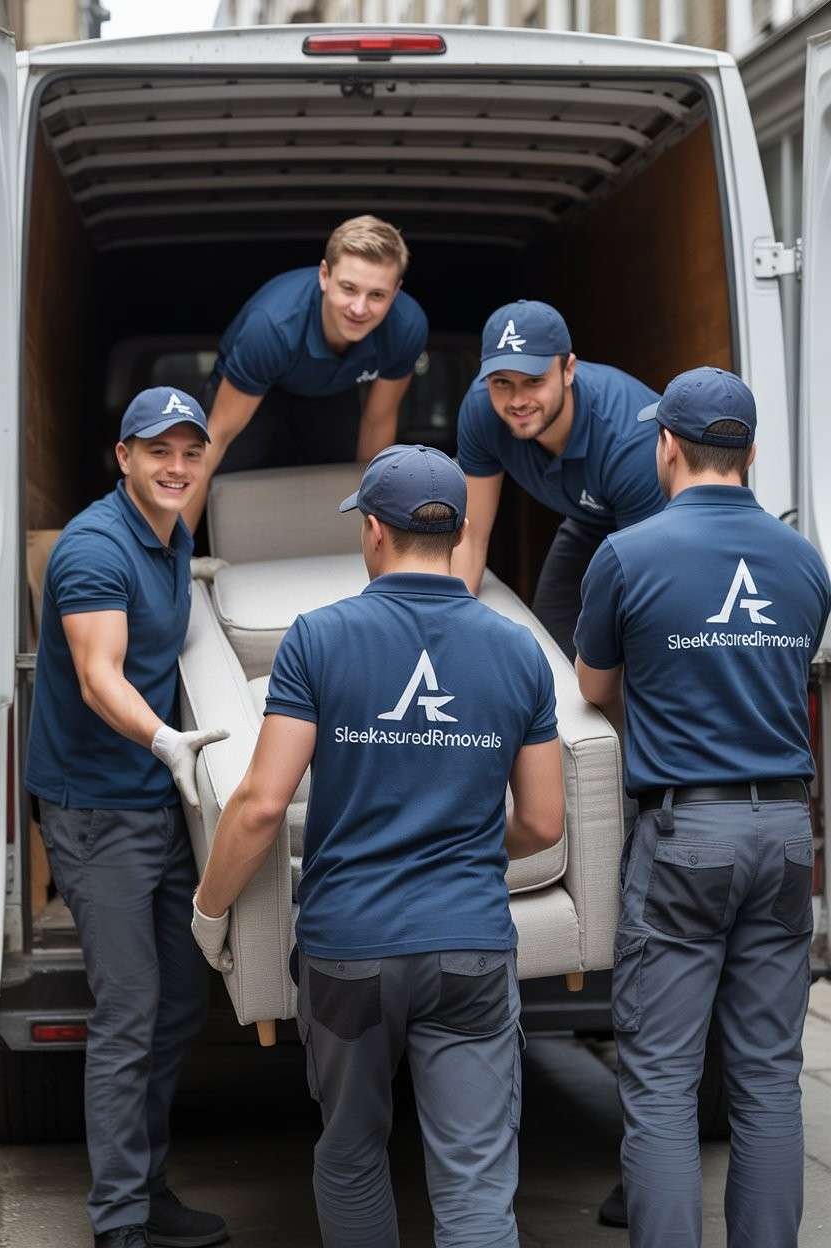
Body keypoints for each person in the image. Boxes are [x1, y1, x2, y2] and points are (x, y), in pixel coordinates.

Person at [191, 444, 564, 1248]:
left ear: (373, 531)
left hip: (348, 951)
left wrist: (210, 910)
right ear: (462, 530)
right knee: (473, 1183)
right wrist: (461, 846)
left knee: (354, 1154)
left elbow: (261, 804)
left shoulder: (318, 640)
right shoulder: (516, 651)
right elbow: (542, 823)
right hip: (469, 946)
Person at [574, 366, 831, 1248]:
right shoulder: (805, 560)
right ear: (752, 452)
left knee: (663, 1083)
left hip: (687, 833)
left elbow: (593, 684)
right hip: (787, 833)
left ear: (666, 448)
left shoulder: (627, 554)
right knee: (767, 1079)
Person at [25, 388, 230, 1248]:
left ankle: (146, 1190)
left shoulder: (173, 532)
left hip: (152, 800)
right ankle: (119, 1223)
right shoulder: (94, 550)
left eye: (190, 452)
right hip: (95, 806)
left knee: (181, 998)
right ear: (124, 457)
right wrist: (163, 739)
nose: (177, 467)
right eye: (159, 452)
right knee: (130, 1008)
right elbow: (99, 672)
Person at [183, 215, 428, 532]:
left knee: (339, 481)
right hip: (256, 392)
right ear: (324, 276)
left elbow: (378, 420)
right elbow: (217, 436)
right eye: (348, 288)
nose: (359, 308)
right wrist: (172, 564)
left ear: (396, 293)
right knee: (231, 480)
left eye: (377, 295)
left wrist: (375, 536)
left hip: (333, 393)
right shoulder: (272, 327)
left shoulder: (406, 327)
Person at [452, 299, 665, 660]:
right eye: (501, 382)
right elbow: (470, 536)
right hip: (590, 518)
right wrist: (445, 631)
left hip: (670, 534)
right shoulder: (481, 410)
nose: (517, 399)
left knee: (636, 645)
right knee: (552, 631)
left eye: (534, 381)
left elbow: (648, 584)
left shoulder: (628, 439)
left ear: (569, 370)